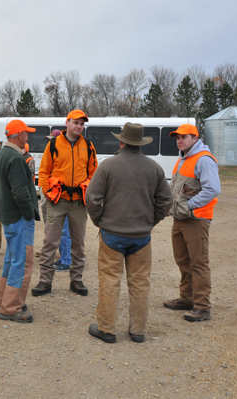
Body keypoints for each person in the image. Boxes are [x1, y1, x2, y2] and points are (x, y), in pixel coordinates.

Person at [85, 123, 173, 343]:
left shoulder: (108, 166)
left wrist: (100, 222)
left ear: (121, 142)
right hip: (141, 237)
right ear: (141, 143)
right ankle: (138, 331)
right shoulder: (154, 168)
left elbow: (92, 198)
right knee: (140, 283)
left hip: (112, 234)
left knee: (109, 281)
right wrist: (151, 221)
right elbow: (166, 200)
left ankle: (107, 329)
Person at [33, 110, 97, 297]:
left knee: (78, 244)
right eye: (76, 123)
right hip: (57, 201)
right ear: (67, 123)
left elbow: (94, 172)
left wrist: (87, 189)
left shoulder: (88, 146)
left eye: (82, 124)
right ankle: (45, 281)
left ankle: (76, 281)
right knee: (49, 242)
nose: (79, 126)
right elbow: (43, 171)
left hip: (78, 203)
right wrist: (48, 192)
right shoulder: (54, 144)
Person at [163, 124, 221, 322]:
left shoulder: (203, 160)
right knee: (183, 261)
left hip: (196, 219)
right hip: (180, 219)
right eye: (177, 137)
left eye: (184, 137)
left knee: (198, 263)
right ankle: (187, 299)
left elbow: (212, 189)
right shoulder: (183, 158)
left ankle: (203, 307)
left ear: (195, 138)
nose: (180, 140)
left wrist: (190, 206)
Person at [0, 120, 40, 323]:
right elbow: (21, 193)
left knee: (12, 259)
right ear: (19, 135)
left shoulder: (2, 155)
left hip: (9, 216)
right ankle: (11, 308)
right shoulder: (16, 158)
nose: (27, 138)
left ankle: (3, 300)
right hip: (19, 218)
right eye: (26, 134)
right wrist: (30, 213)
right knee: (22, 261)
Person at [38, 130, 72, 272]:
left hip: (62, 199)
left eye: (52, 139)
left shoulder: (63, 156)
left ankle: (66, 260)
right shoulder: (51, 154)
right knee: (57, 230)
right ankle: (62, 257)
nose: (49, 142)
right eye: (49, 139)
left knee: (64, 231)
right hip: (53, 198)